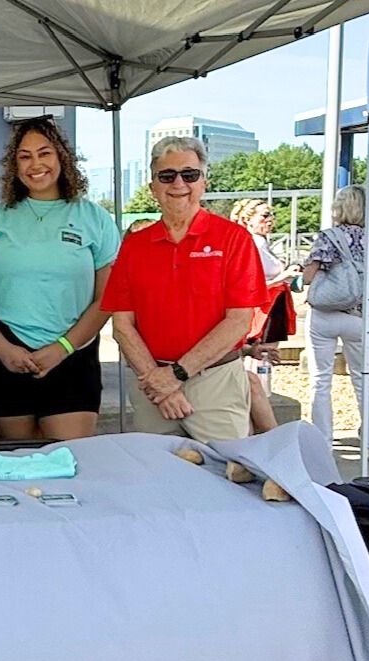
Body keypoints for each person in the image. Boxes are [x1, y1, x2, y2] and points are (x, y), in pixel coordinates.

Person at [0, 116, 119, 441]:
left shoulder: (94, 219)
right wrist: (1, 346)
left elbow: (108, 297)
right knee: (20, 462)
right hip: (4, 358)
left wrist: (62, 348)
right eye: (25, 156)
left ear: (61, 156)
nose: (36, 164)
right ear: (14, 165)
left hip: (72, 356)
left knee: (68, 463)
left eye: (44, 153)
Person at [102, 136, 266, 443]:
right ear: (153, 187)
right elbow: (122, 325)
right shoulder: (134, 246)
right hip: (151, 381)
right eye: (167, 175)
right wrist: (158, 382)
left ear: (204, 182)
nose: (179, 183)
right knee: (156, 478)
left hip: (214, 379)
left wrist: (175, 375)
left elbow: (238, 322)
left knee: (225, 477)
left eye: (189, 174)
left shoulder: (234, 239)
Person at [303, 184, 369, 452]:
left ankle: (323, 442)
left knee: (320, 380)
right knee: (363, 379)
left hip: (324, 314)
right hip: (360, 316)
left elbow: (309, 276)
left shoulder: (328, 237)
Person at [229, 199, 292, 434]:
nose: (270, 219)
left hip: (271, 304)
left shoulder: (261, 243)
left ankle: (258, 411)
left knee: (261, 360)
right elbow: (250, 283)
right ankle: (258, 420)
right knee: (257, 360)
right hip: (262, 307)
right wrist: (284, 275)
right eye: (264, 215)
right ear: (248, 219)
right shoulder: (251, 243)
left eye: (271, 214)